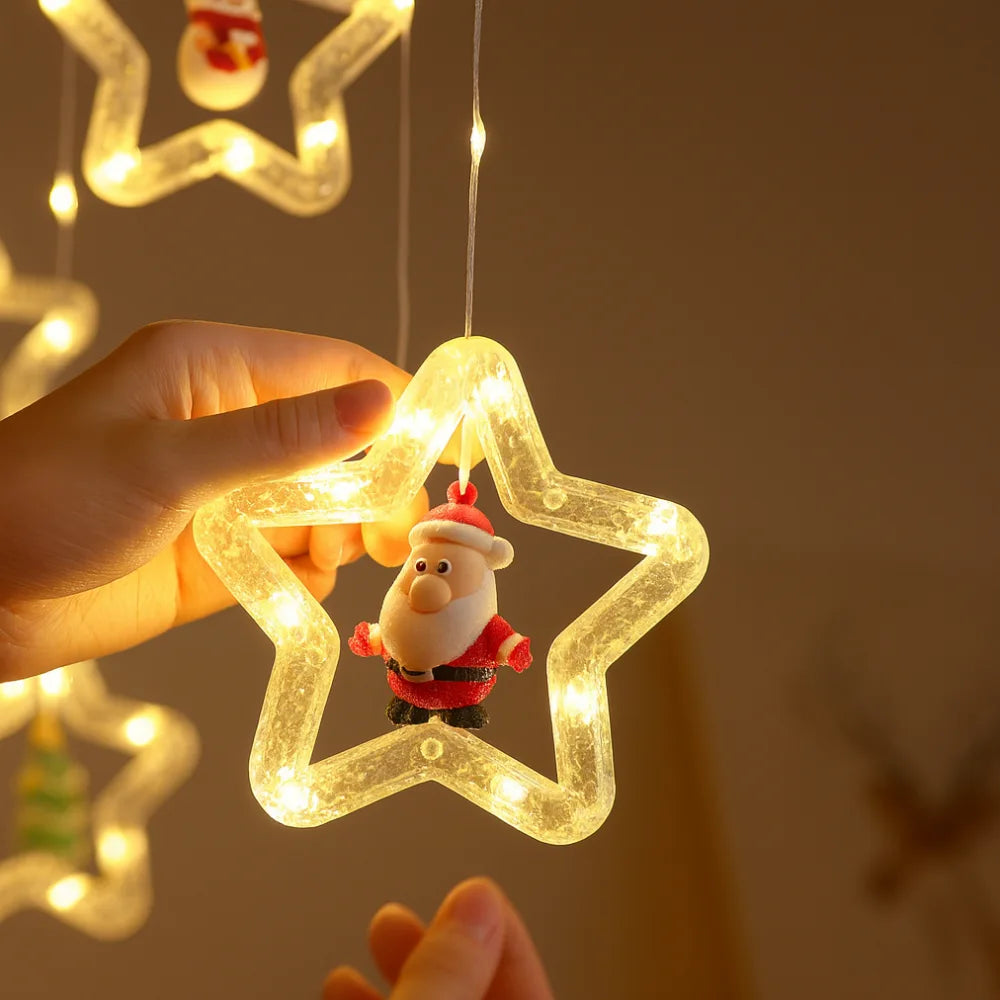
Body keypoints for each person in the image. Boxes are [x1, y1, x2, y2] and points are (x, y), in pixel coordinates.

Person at [0, 320, 554, 1000]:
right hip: (408, 679)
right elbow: (387, 627)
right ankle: (414, 701)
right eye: (427, 559)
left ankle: (450, 710)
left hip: (463, 687)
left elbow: (496, 632)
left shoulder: (480, 607)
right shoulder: (409, 584)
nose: (431, 577)